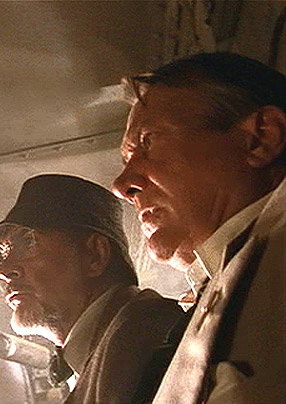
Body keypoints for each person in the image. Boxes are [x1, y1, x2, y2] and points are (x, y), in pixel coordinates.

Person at [113, 52, 286, 404]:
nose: (121, 185)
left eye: (149, 142)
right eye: (127, 159)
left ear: (260, 139)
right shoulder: (232, 275)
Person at [0, 174, 185, 404]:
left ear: (94, 255)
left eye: (28, 242)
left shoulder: (148, 340)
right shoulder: (112, 350)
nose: (4, 271)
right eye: (2, 254)